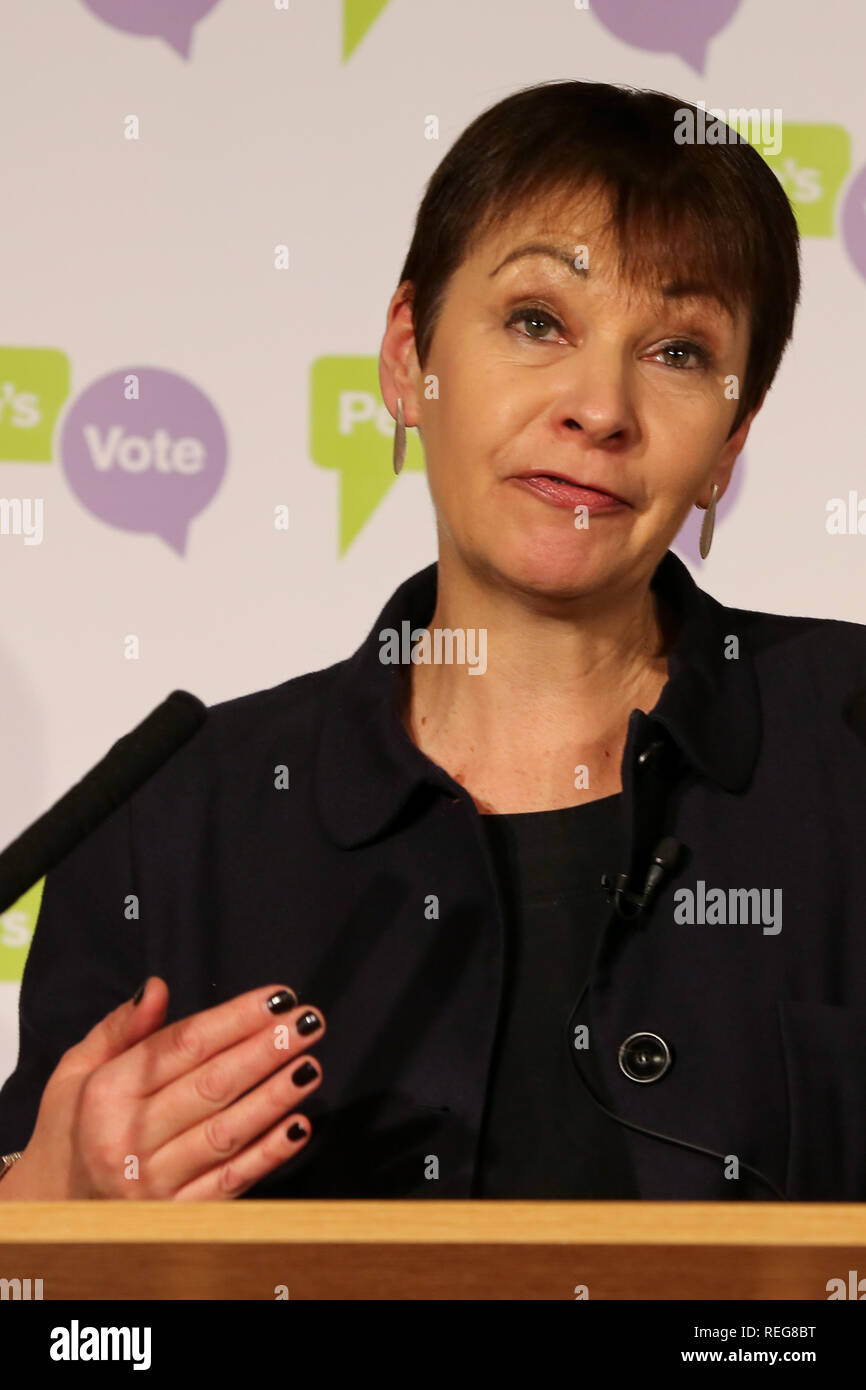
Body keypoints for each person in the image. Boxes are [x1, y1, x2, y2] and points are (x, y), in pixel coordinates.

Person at [2, 79, 865, 1203]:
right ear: (408, 358)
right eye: (535, 321)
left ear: (727, 445)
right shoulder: (167, 828)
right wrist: (50, 1207)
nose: (597, 405)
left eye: (678, 352)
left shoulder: (844, 739)